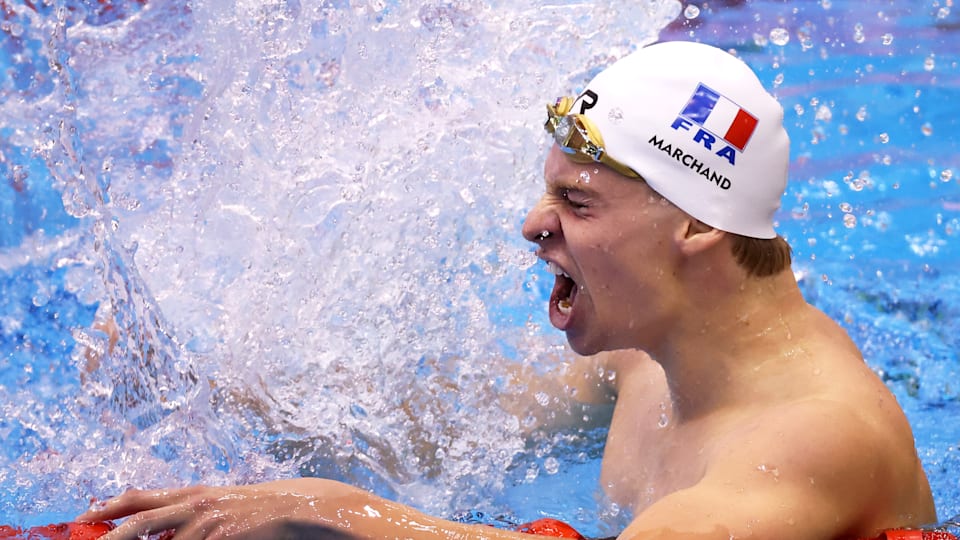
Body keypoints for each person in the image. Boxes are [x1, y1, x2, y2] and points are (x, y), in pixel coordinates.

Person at [78, 41, 937, 540]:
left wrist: (341, 515)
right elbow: (452, 427)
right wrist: (208, 394)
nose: (533, 226)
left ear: (696, 226)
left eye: (577, 202)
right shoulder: (651, 355)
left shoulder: (811, 440)